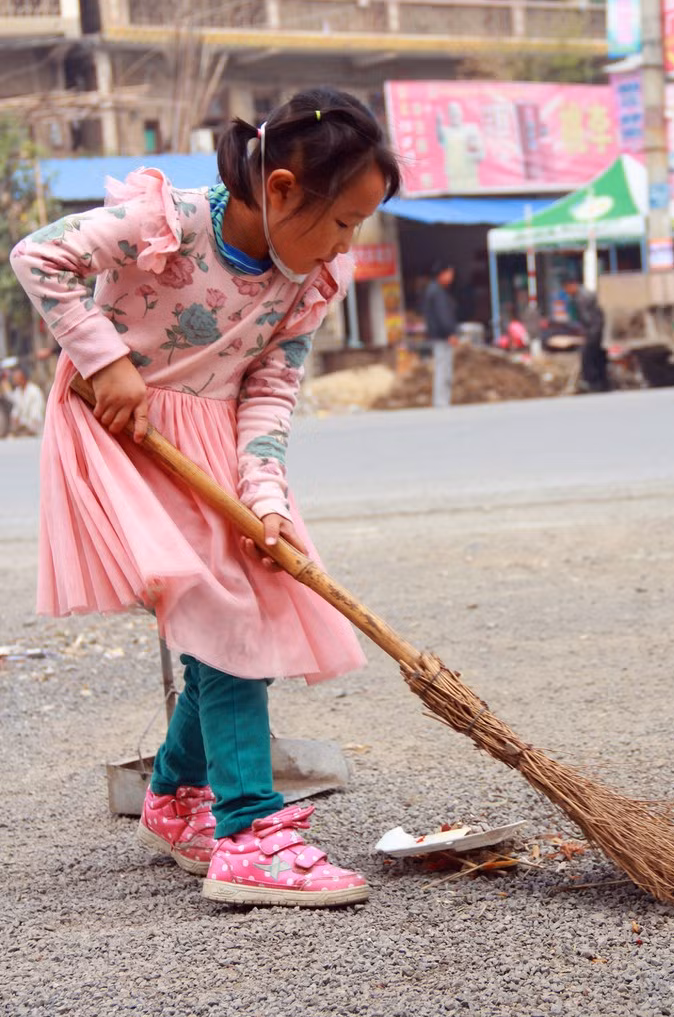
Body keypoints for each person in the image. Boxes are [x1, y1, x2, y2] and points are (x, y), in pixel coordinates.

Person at [11, 86, 401, 908]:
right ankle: (250, 832)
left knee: (238, 611)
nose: (347, 244)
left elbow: (268, 398)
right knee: (226, 615)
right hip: (123, 427)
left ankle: (177, 796)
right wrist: (103, 356)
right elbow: (39, 256)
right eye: (341, 222)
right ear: (284, 188)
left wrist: (266, 503)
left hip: (214, 447)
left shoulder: (308, 282)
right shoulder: (174, 222)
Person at [563, 277, 609, 392]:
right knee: (599, 356)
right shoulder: (586, 294)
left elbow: (587, 317)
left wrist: (587, 332)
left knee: (588, 356)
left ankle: (593, 382)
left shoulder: (581, 297)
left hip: (594, 330)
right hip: (598, 329)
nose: (567, 292)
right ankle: (603, 382)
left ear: (572, 285)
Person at [422, 261, 458, 406]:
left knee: (442, 367)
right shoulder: (437, 292)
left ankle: (442, 400)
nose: (451, 276)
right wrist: (450, 332)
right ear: (441, 274)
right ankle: (442, 401)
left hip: (439, 336)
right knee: (443, 369)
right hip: (442, 337)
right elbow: (443, 315)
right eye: (449, 273)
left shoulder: (435, 290)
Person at [8, 363, 46, 435]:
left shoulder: (34, 391)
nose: (15, 381)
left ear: (23, 378)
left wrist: (25, 425)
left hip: (36, 432)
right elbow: (15, 413)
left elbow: (36, 416)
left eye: (17, 378)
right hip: (22, 430)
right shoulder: (17, 392)